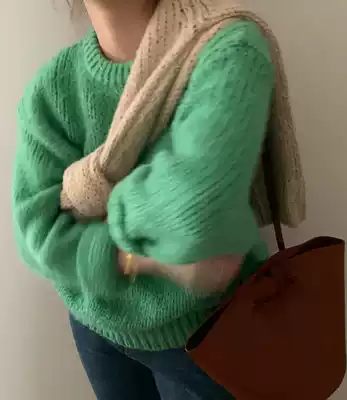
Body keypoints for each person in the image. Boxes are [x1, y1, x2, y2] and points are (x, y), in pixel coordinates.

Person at [12, 0, 274, 398]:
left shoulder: (228, 47)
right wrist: (142, 258)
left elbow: (195, 210)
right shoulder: (51, 91)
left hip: (205, 336)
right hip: (96, 326)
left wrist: (84, 195)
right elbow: (34, 235)